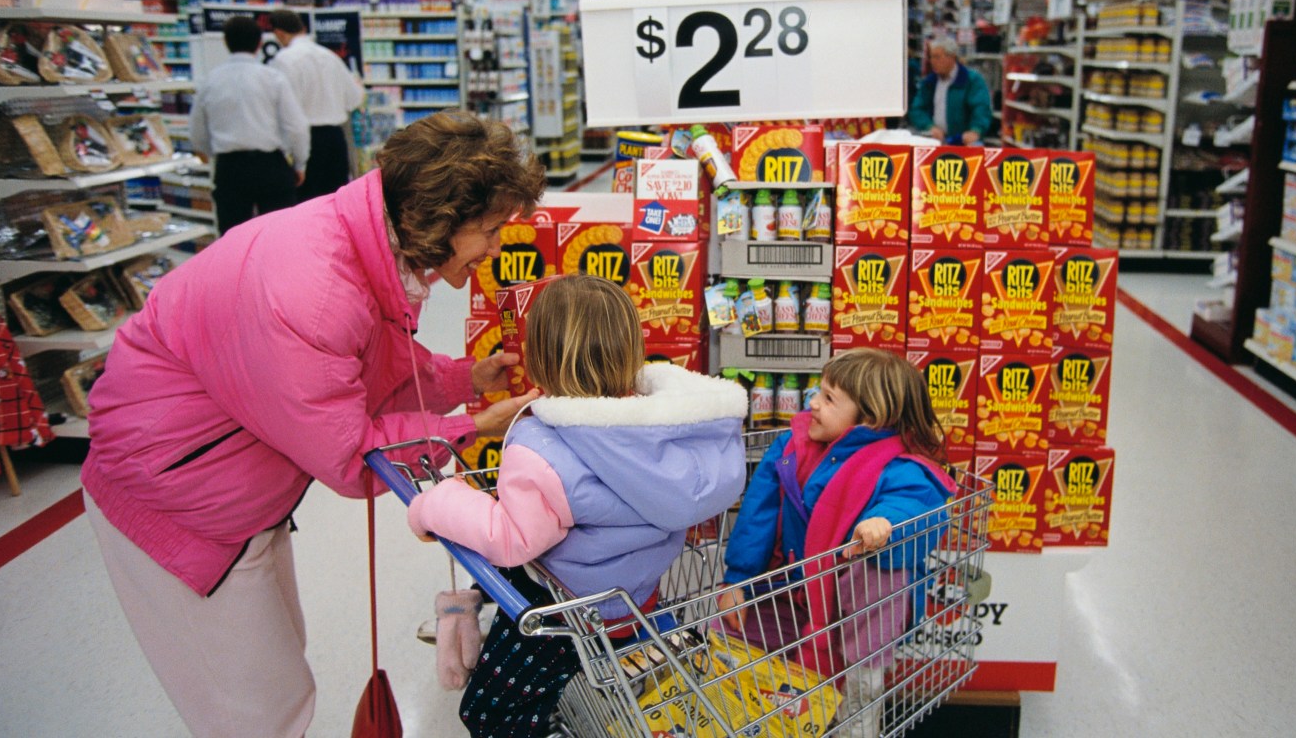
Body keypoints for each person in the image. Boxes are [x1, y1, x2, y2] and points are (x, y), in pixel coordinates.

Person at [81, 113, 548, 738]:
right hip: (176, 500)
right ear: (440, 218)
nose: (496, 247)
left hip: (239, 492)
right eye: (489, 230)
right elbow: (351, 454)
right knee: (259, 710)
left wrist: (467, 379)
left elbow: (372, 361)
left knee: (278, 666)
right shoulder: (315, 289)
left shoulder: (360, 243)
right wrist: (471, 427)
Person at [405, 275, 747, 738]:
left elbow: (511, 538)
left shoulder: (543, 447)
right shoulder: (662, 430)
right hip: (634, 596)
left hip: (567, 614)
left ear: (540, 363)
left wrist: (438, 503)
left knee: (488, 712)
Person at [717, 348, 956, 738]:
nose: (812, 403)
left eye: (829, 399)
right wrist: (739, 580)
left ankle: (861, 696)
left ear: (871, 419)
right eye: (818, 392)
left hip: (855, 612)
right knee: (728, 633)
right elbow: (756, 517)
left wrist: (883, 522)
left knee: (879, 567)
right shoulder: (791, 449)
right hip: (794, 592)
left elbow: (912, 503)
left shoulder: (898, 466)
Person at [189, 15, 309, 234]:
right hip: (270, 166)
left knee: (233, 239)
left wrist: (214, 155)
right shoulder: (273, 78)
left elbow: (197, 132)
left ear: (226, 42)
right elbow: (296, 126)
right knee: (281, 235)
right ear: (260, 44)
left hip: (230, 168)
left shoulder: (210, 81)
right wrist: (300, 163)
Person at [269, 8, 365, 200]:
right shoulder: (329, 56)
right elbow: (355, 98)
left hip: (308, 140)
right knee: (335, 205)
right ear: (303, 28)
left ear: (279, 33)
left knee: (307, 207)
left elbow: (285, 111)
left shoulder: (283, 60)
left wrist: (297, 162)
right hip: (336, 140)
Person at [906, 34, 993, 144]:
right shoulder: (929, 82)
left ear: (951, 57)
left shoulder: (972, 80)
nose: (932, 61)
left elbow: (981, 108)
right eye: (931, 57)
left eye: (937, 57)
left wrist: (976, 130)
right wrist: (929, 126)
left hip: (964, 141)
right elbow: (917, 109)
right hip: (935, 140)